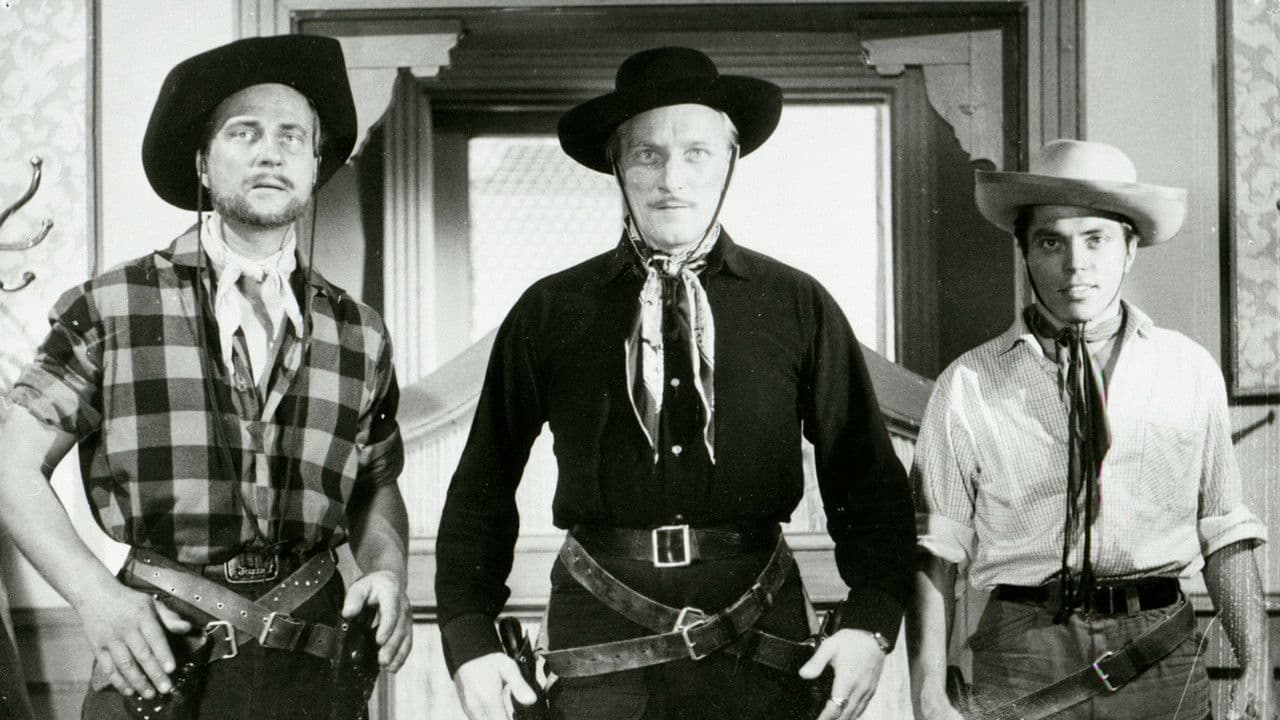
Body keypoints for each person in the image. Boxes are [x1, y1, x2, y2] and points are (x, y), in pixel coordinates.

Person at [435, 46, 915, 720]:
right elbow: (481, 488)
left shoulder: (796, 304)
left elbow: (866, 481)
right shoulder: (551, 310)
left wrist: (870, 622)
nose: (672, 179)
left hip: (761, 636)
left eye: (696, 153)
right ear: (615, 164)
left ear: (730, 161)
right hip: (597, 640)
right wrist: (469, 639)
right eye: (648, 155)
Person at [0, 34, 411, 719]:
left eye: (292, 136)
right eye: (244, 132)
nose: (270, 151)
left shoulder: (359, 332)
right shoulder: (110, 306)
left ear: (315, 163)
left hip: (316, 672)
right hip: (160, 662)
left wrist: (389, 571)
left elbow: (376, 485)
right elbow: (11, 466)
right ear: (202, 162)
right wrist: (94, 597)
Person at [907, 139, 1271, 720]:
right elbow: (936, 550)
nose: (1076, 264)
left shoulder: (1187, 370)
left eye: (1096, 239)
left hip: (1159, 651)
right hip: (1023, 653)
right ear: (1025, 251)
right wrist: (927, 688)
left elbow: (1224, 530)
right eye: (1051, 242)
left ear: (1131, 249)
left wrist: (1256, 662)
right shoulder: (967, 384)